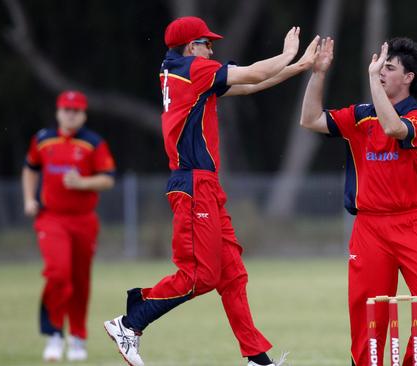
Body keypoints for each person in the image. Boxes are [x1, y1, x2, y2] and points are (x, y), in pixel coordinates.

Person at [103, 16, 319, 366]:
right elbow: (250, 73)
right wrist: (287, 54)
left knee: (232, 273)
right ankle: (130, 323)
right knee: (198, 276)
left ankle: (257, 360)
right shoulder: (192, 70)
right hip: (192, 185)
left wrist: (300, 66)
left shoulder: (183, 71)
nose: (212, 49)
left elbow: (248, 86)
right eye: (206, 43)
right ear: (191, 47)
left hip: (204, 184)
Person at [299, 37, 417, 366]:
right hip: (369, 228)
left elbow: (393, 127)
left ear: (408, 78)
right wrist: (319, 73)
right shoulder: (359, 116)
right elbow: (309, 119)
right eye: (379, 67)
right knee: (368, 320)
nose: (381, 71)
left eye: (389, 68)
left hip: (411, 224)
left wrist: (371, 80)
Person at [22, 90, 116, 362]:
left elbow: (108, 179)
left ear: (83, 114)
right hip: (51, 218)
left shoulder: (93, 143)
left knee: (79, 280)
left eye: (76, 110)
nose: (70, 114)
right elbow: (30, 168)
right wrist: (29, 199)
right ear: (58, 112)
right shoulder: (42, 139)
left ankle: (77, 338)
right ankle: (54, 334)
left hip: (84, 220)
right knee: (58, 274)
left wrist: (83, 183)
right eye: (66, 109)